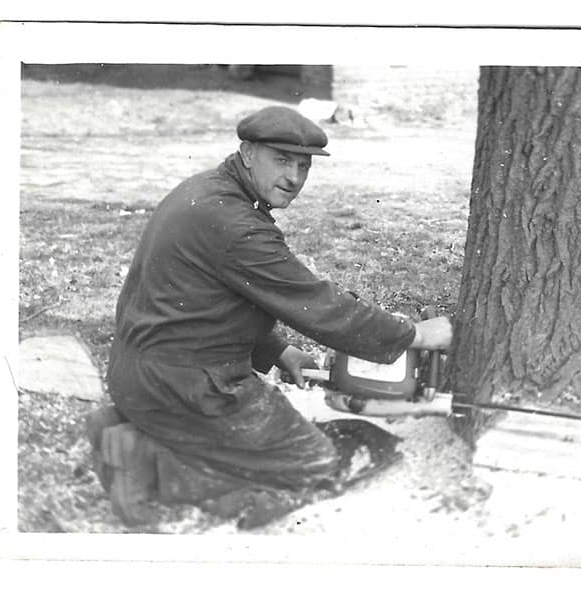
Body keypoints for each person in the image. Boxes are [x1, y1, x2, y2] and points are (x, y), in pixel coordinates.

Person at [86, 105, 452, 527]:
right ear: (247, 152)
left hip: (148, 373)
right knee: (317, 463)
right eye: (281, 160)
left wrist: (279, 351)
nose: (293, 178)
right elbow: (316, 304)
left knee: (289, 448)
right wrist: (415, 336)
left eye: (303, 166)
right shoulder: (235, 222)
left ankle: (141, 431)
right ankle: (144, 461)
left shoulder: (206, 192)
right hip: (184, 389)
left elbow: (199, 299)